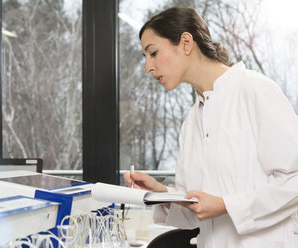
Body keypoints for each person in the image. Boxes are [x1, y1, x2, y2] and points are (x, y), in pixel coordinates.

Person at [124, 6, 298, 248]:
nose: (147, 67)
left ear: (186, 43)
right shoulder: (191, 122)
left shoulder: (256, 91)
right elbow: (194, 211)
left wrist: (226, 205)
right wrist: (161, 195)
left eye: (152, 53)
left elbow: (294, 181)